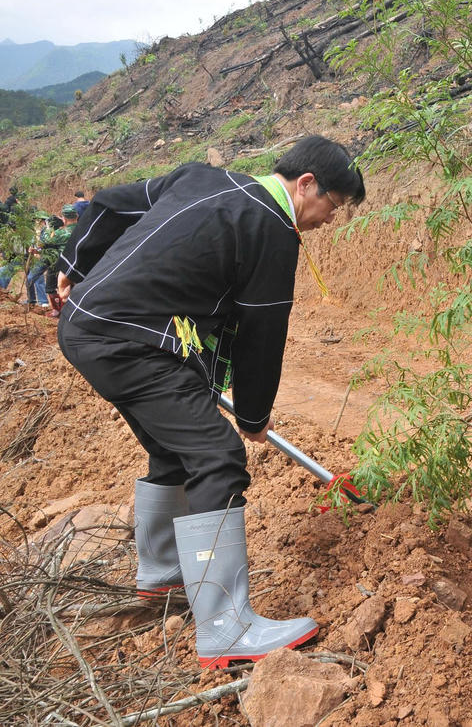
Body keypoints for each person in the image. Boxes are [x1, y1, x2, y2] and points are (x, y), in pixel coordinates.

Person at [57, 136, 365, 667]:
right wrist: (252, 416)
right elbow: (261, 333)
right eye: (331, 207)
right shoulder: (272, 228)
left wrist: (73, 265)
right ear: (306, 184)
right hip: (132, 343)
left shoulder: (201, 177)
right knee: (217, 458)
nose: (328, 220)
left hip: (93, 325)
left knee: (175, 448)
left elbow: (108, 201)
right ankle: (225, 625)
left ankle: (162, 576)